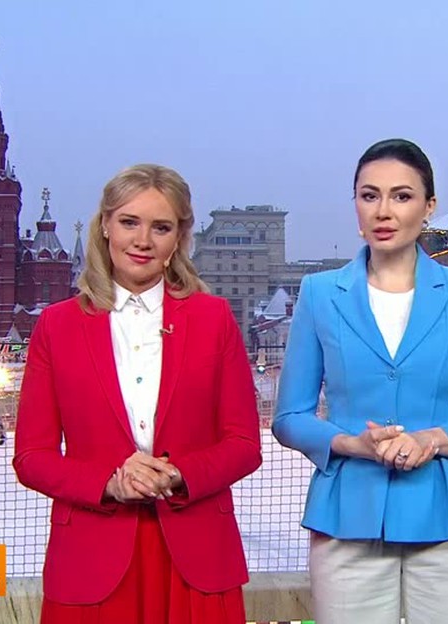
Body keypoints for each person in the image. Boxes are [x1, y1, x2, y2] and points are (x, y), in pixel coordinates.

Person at [272, 138, 448, 624]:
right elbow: (289, 418)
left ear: (428, 207)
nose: (383, 211)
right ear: (356, 204)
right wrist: (350, 444)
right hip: (348, 519)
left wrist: (434, 439)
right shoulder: (319, 294)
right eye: (369, 196)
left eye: (402, 196)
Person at [13, 164, 262, 624]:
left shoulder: (214, 319)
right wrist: (109, 483)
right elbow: (32, 457)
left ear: (179, 239)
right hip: (90, 556)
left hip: (198, 556)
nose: (143, 240)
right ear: (105, 225)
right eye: (129, 222)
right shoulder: (57, 326)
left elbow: (244, 445)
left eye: (161, 227)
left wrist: (178, 475)